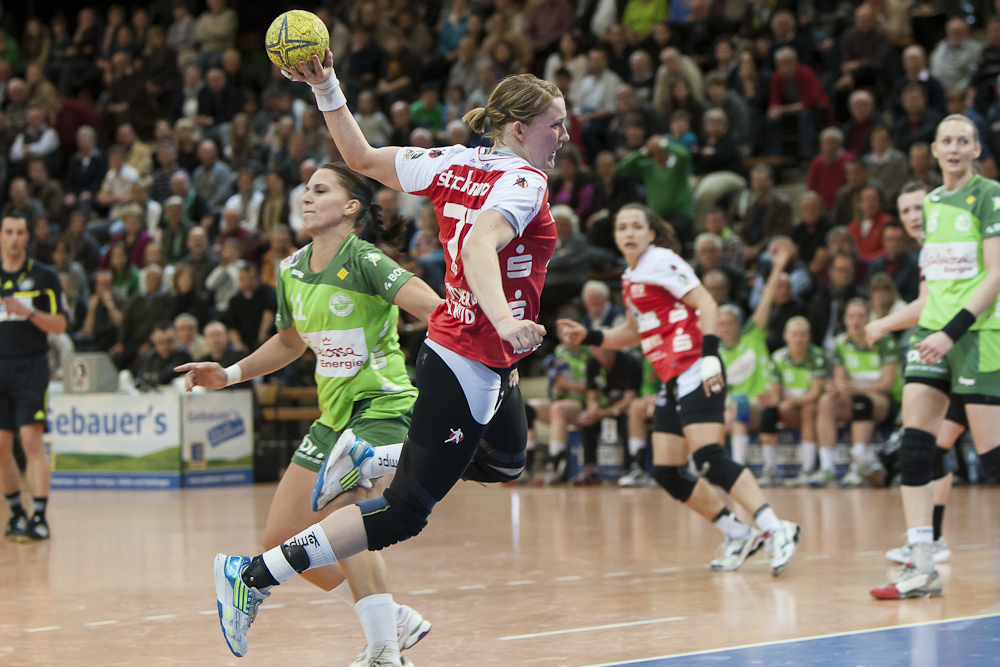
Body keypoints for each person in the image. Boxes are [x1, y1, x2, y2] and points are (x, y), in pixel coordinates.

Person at [199, 57, 565, 666]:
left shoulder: (453, 161)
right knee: (403, 513)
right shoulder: (524, 182)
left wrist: (326, 86)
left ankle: (382, 455)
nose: (564, 137)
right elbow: (481, 244)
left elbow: (362, 157)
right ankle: (252, 575)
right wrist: (505, 321)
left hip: (480, 353)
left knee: (505, 462)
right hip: (469, 357)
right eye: (556, 124)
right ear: (521, 128)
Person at [182, 162, 442, 665]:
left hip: (380, 405)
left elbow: (435, 310)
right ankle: (390, 617)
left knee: (346, 511)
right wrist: (229, 374)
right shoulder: (291, 269)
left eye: (320, 190)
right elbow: (289, 342)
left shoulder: (366, 260)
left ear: (350, 207)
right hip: (332, 417)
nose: (306, 197)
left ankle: (383, 649)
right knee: (281, 539)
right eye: (305, 190)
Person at [559, 204, 801, 574]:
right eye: (622, 227)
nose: (628, 233)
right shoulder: (630, 276)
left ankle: (775, 527)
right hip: (671, 379)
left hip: (696, 368)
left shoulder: (661, 260)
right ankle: (738, 533)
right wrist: (590, 336)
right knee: (667, 470)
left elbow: (706, 301)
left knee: (709, 457)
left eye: (636, 226)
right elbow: (633, 332)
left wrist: (710, 356)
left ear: (651, 233)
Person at [869, 116, 1000, 600]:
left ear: (976, 149)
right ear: (936, 150)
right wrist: (902, 325)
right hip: (932, 336)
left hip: (978, 335)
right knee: (915, 448)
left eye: (964, 140)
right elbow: (933, 289)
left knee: (993, 460)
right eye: (947, 140)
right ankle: (922, 567)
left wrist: (951, 332)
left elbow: (996, 275)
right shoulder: (931, 203)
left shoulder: (990, 195)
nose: (955, 147)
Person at [866, 182, 952, 566]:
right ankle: (929, 541)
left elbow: (927, 304)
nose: (914, 217)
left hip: (975, 347)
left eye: (919, 207)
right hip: (943, 350)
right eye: (905, 211)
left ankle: (932, 539)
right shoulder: (927, 250)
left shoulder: (951, 241)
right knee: (927, 446)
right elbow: (927, 303)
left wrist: (882, 324)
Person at [0, 215, 67, 542]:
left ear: (27, 236)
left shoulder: (44, 276)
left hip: (31, 366)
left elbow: (60, 325)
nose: (14, 238)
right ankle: (16, 513)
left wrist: (27, 312)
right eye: (8, 232)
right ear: (1, 236)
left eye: (19, 232)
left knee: (30, 440)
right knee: (1, 445)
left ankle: (39, 516)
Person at [814, 298, 900, 488]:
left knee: (862, 402)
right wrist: (836, 388)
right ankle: (827, 468)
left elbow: (888, 383)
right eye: (852, 316)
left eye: (861, 316)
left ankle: (857, 468)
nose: (856, 321)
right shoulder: (840, 343)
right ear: (845, 320)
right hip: (854, 397)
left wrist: (856, 388)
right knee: (826, 401)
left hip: (884, 401)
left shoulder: (884, 341)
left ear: (869, 318)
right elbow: (840, 380)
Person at [721, 241, 791, 473]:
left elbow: (767, 299)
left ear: (739, 324)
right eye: (721, 324)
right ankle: (709, 468)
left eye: (730, 322)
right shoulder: (715, 354)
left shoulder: (752, 336)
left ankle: (739, 468)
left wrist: (778, 267)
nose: (726, 327)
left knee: (739, 405)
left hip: (761, 404)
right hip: (733, 410)